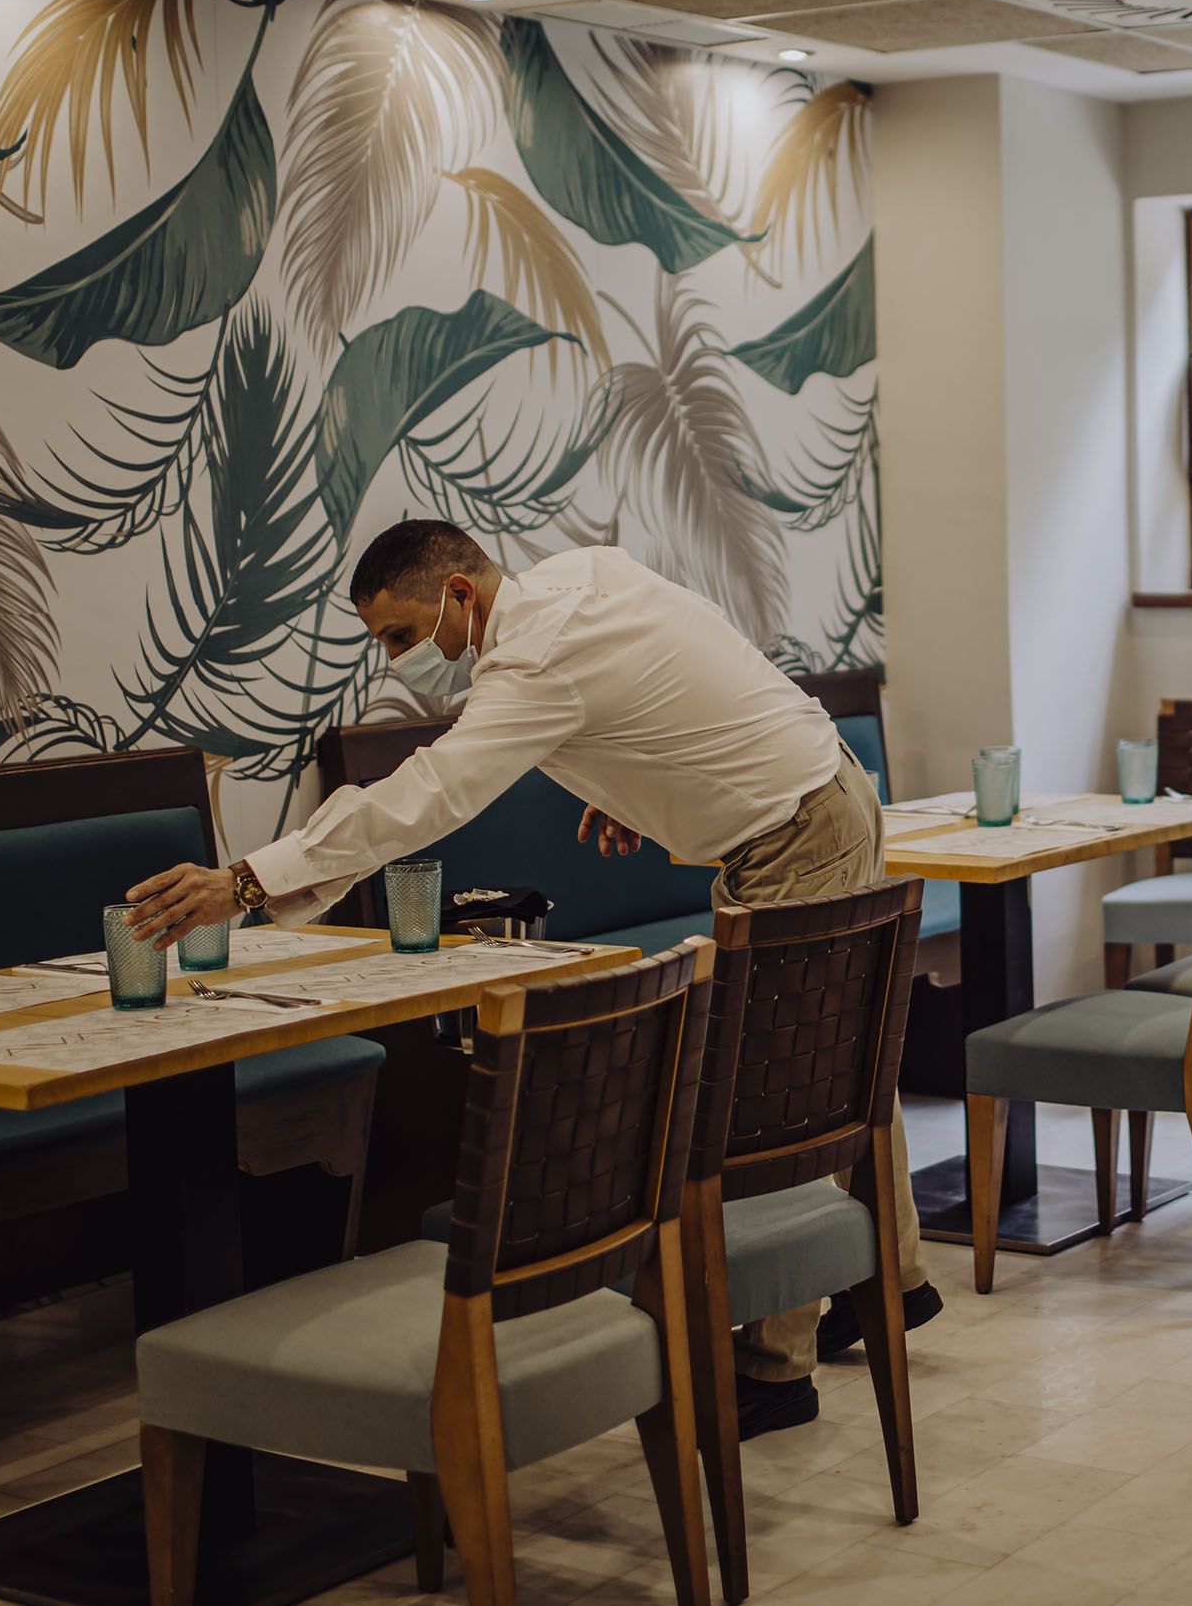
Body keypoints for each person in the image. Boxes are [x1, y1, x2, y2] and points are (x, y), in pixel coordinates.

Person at [126, 520, 941, 1436]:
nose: (397, 660)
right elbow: (681, 660)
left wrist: (244, 880)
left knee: (780, 1091)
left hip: (794, 830)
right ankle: (895, 1280)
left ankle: (775, 1364)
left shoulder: (534, 662)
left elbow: (427, 794)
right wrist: (633, 772)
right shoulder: (579, 575)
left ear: (461, 595)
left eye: (401, 635)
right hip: (823, 788)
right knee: (835, 1060)